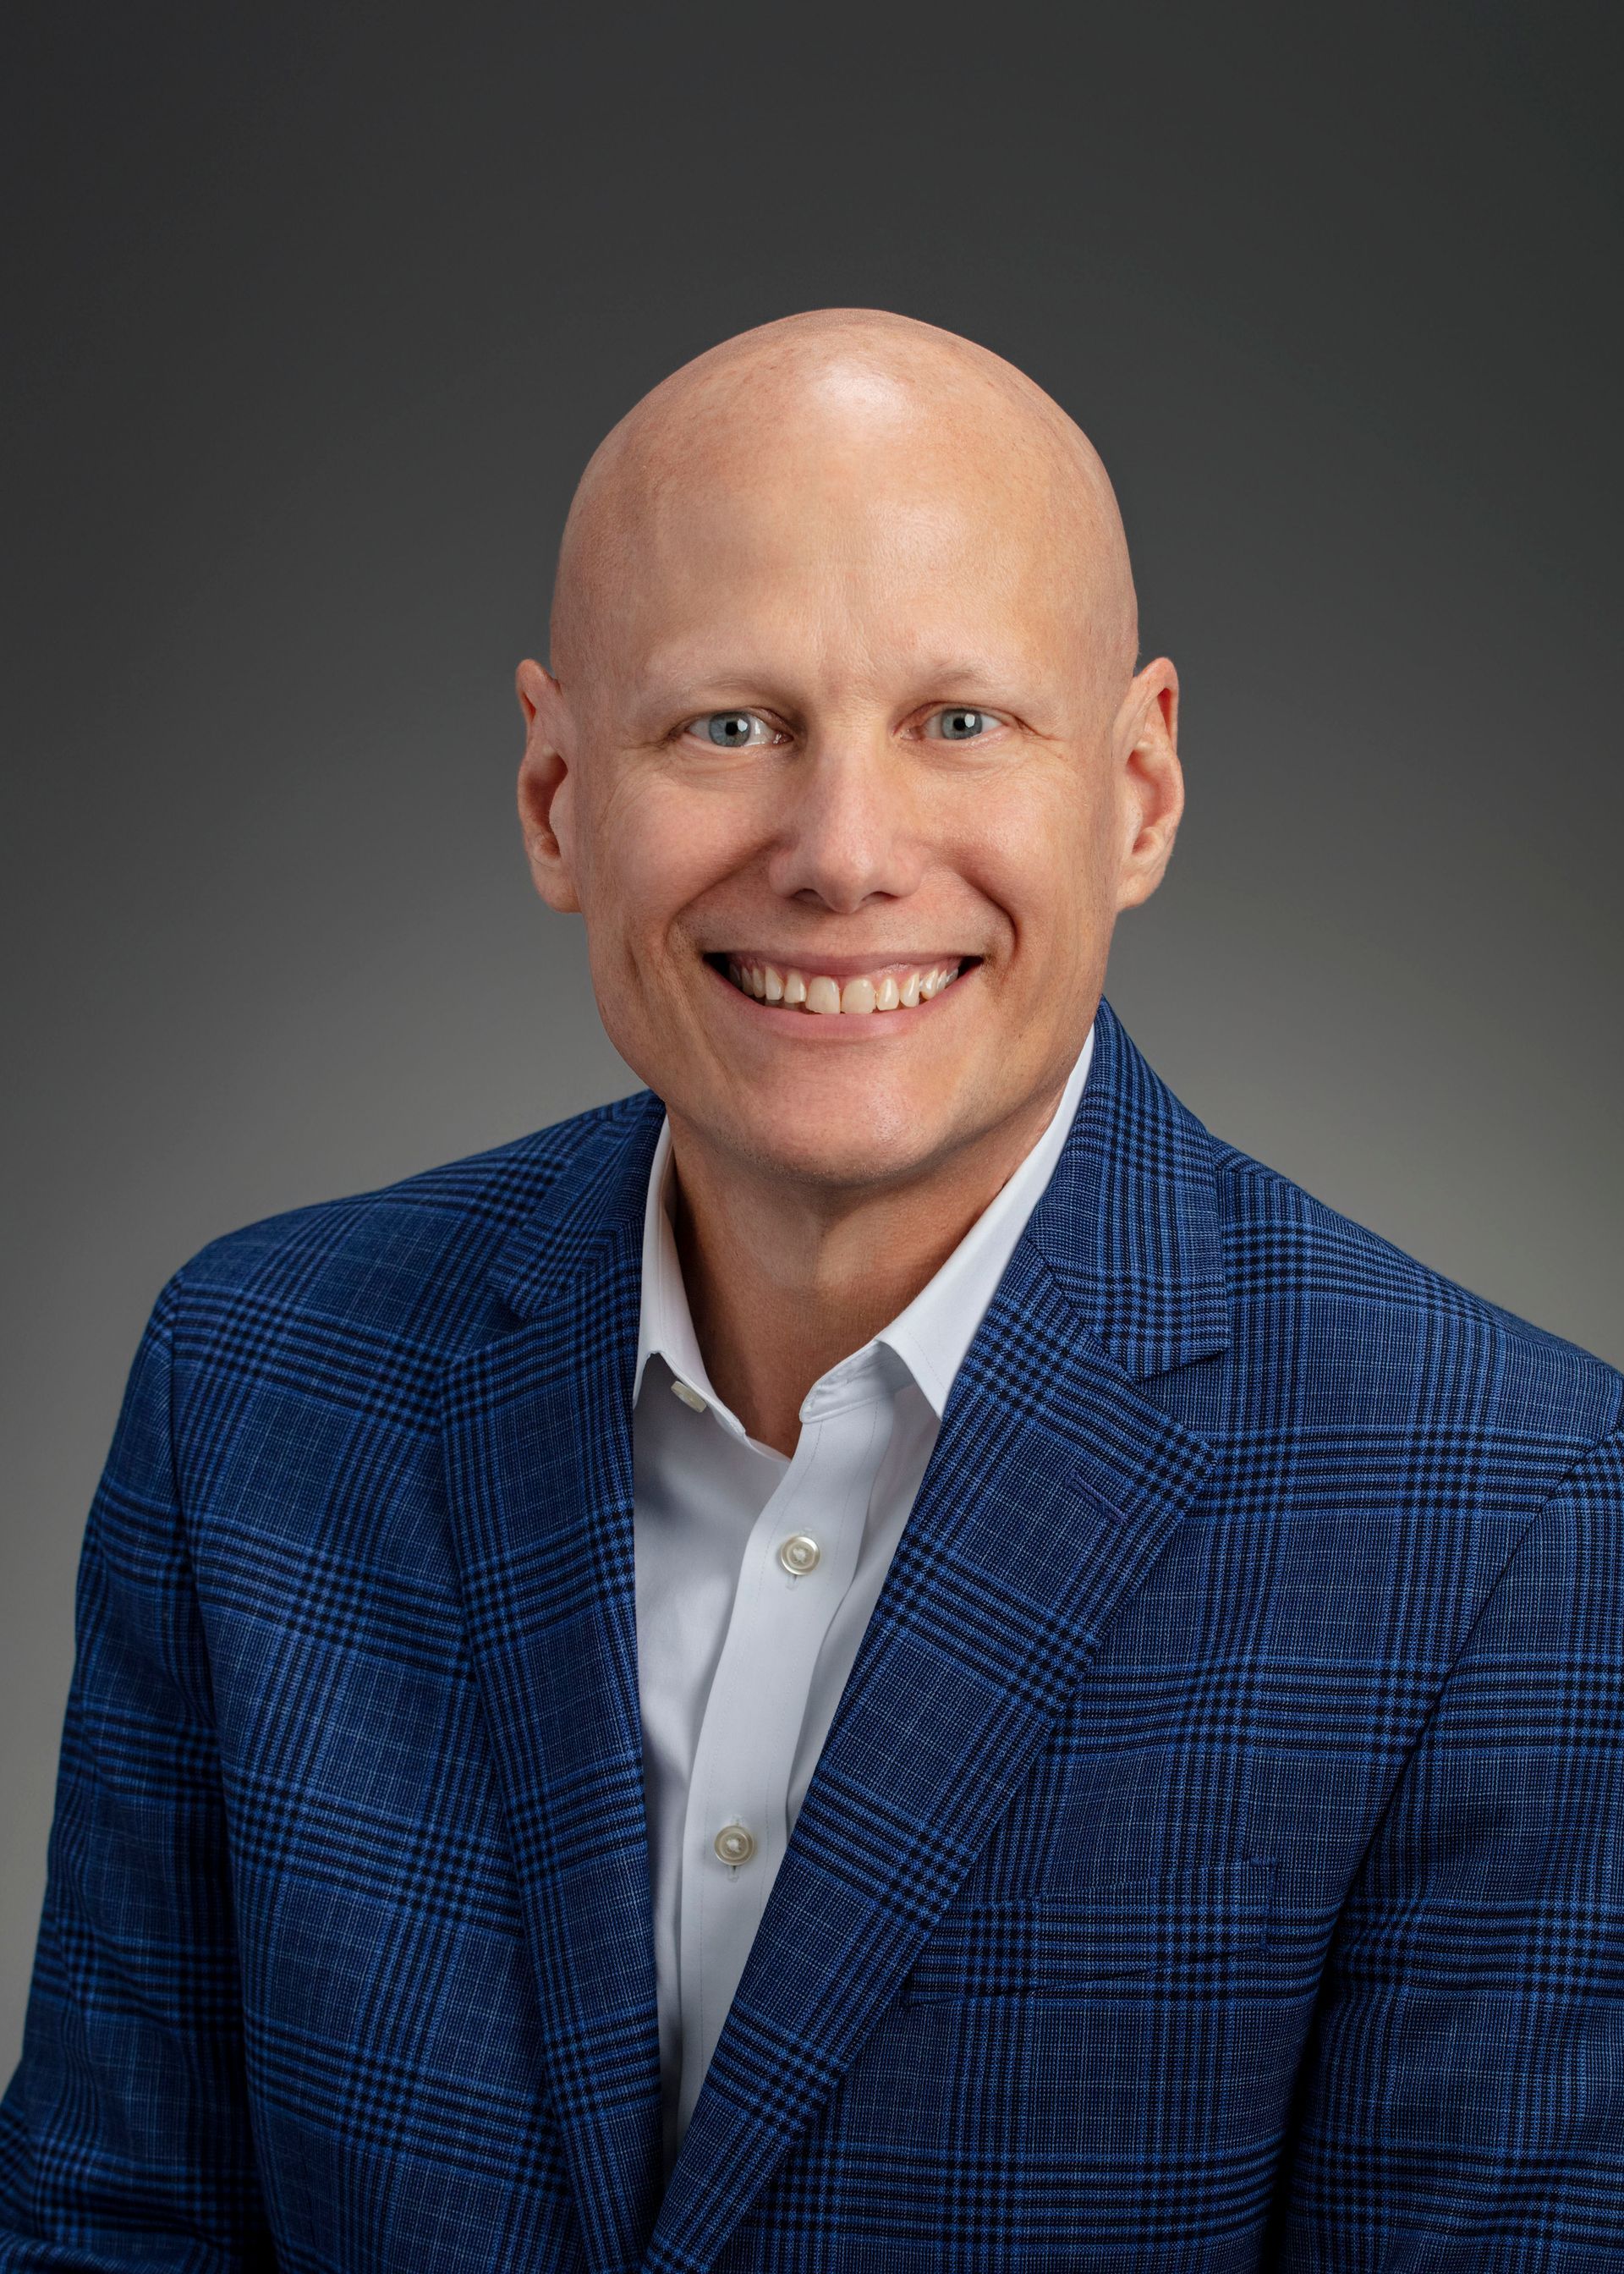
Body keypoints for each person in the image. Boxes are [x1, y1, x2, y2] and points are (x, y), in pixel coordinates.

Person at [3, 307, 1620, 2274]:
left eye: (960, 722)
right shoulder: (257, 1387)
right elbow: (110, 2227)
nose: (843, 856)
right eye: (729, 726)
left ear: (1138, 792)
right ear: (555, 797)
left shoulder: (1507, 1517)